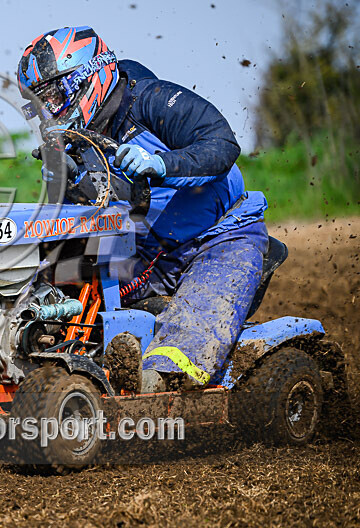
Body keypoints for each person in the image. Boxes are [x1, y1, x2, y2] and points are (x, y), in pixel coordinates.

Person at [17, 26, 269, 392]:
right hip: (148, 250)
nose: (49, 111)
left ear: (88, 78)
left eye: (53, 96)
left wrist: (162, 164)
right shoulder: (74, 142)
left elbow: (222, 145)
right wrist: (67, 183)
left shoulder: (151, 100)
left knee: (180, 348)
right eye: (39, 103)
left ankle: (158, 381)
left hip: (222, 236)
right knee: (57, 279)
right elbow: (80, 220)